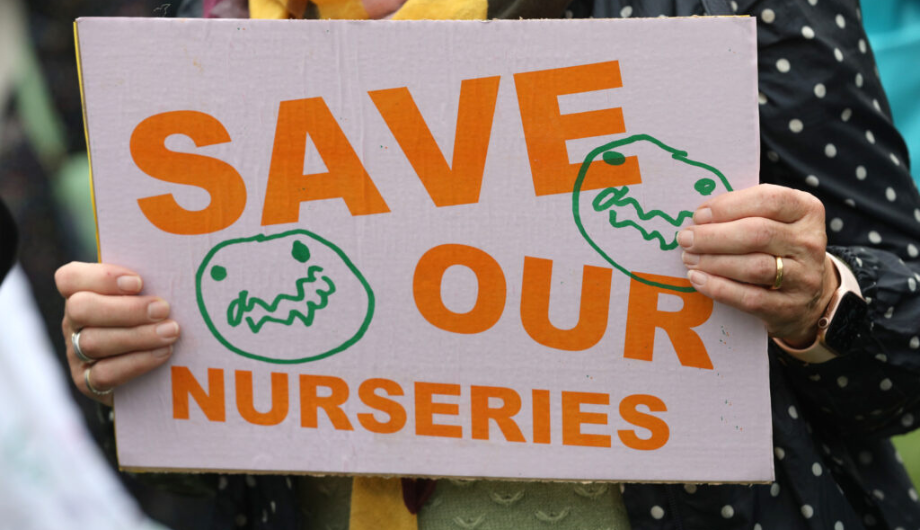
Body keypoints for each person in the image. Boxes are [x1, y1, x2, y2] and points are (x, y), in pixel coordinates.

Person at [55, 0, 920, 528]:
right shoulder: (205, 33)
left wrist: (822, 304)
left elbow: (906, 363)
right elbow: (204, 465)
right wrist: (123, 366)